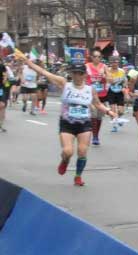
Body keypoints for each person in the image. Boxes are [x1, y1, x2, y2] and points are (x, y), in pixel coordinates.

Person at [32, 57, 105, 188]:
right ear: (71, 74)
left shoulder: (90, 89)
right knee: (68, 151)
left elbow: (98, 104)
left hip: (84, 124)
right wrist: (27, 62)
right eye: (75, 73)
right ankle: (65, 161)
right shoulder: (65, 84)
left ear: (85, 75)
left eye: (80, 73)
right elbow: (45, 72)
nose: (77, 76)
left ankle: (78, 176)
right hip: (67, 123)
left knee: (82, 151)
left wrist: (109, 111)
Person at [103, 56, 130, 131]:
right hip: (110, 91)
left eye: (117, 62)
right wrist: (109, 79)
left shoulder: (122, 71)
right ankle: (114, 126)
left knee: (121, 111)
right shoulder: (107, 71)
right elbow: (106, 79)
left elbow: (125, 81)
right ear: (110, 63)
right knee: (112, 110)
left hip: (119, 92)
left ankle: (119, 118)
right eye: (113, 62)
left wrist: (125, 89)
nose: (115, 64)